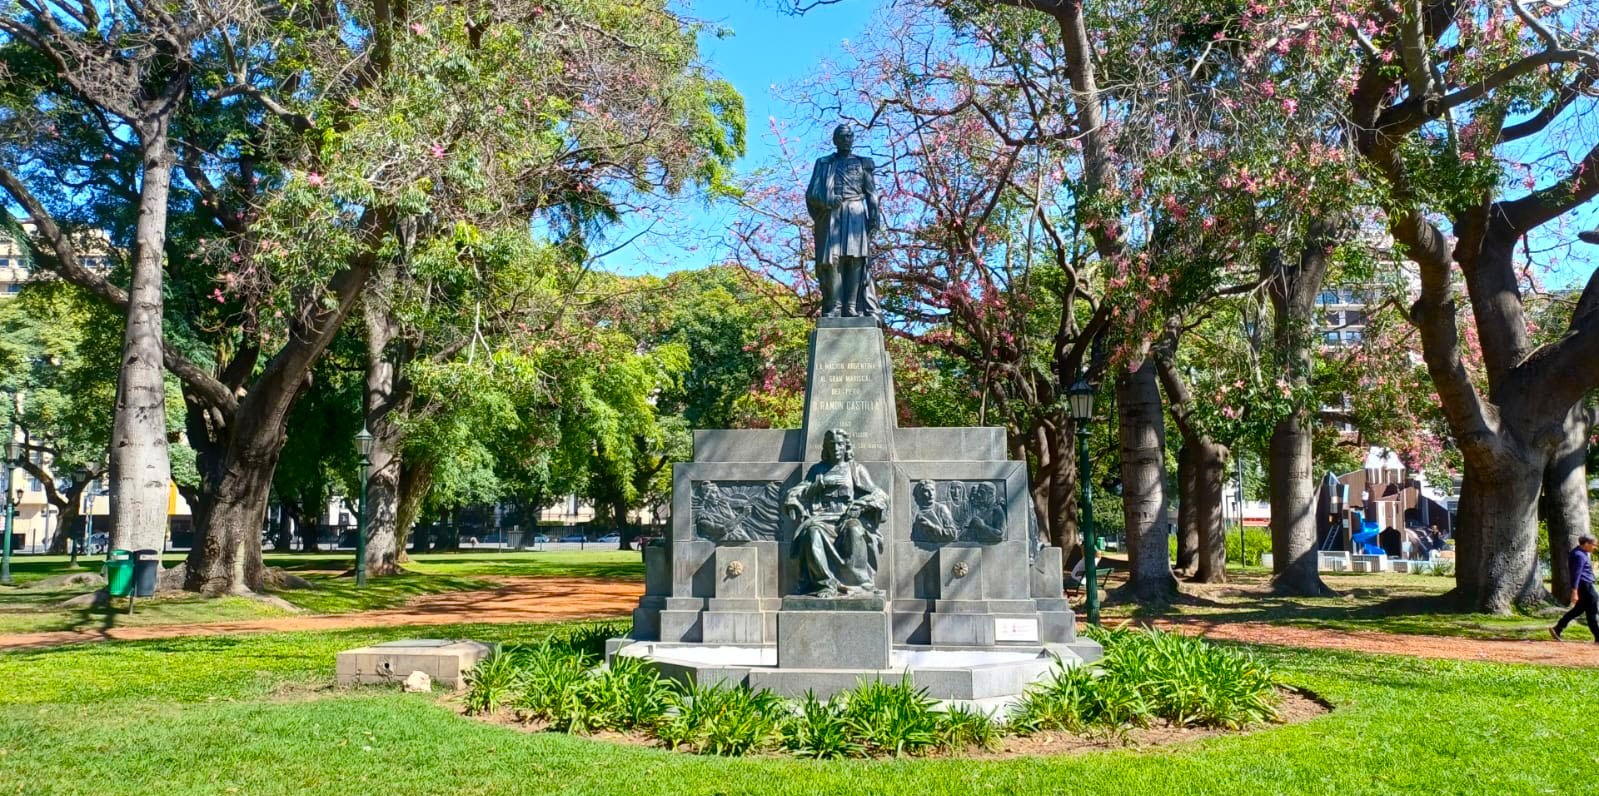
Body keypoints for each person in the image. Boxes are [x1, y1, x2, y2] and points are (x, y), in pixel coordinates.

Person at [1551, 534, 1598, 643]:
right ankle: (1598, 636)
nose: (1595, 547)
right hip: (1585, 585)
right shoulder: (1579, 555)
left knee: (1578, 610)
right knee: (1593, 611)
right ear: (1586, 544)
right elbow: (1576, 574)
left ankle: (1558, 628)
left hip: (1585, 585)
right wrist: (1574, 591)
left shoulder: (1581, 553)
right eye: (1593, 545)